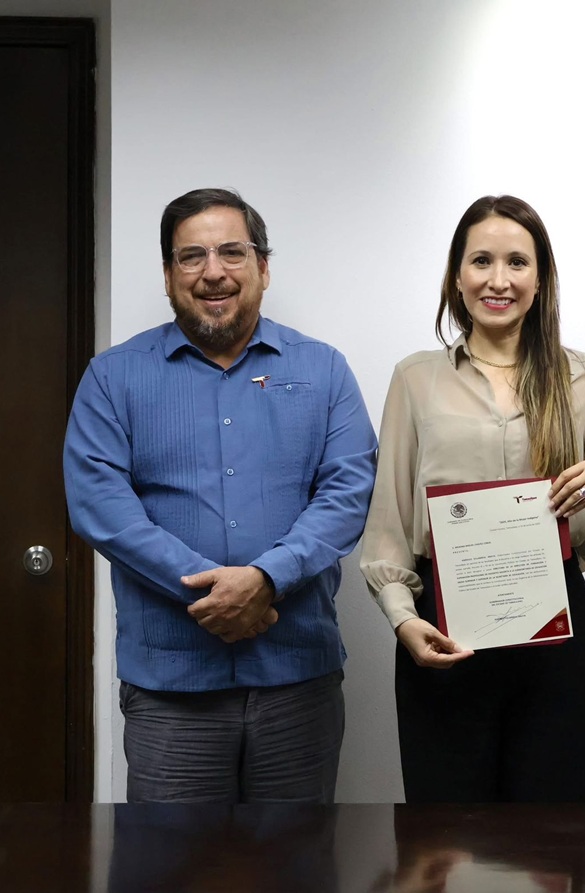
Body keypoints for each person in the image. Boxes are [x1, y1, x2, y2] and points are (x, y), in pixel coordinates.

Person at [64, 187, 377, 804]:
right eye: (192, 256)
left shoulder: (324, 370)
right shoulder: (113, 377)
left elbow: (348, 492)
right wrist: (217, 592)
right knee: (172, 855)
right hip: (170, 690)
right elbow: (101, 505)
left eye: (233, 252)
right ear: (167, 274)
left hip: (297, 680)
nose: (214, 272)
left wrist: (267, 579)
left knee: (296, 854)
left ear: (263, 267)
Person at [360, 195, 585, 803]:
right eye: (482, 261)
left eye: (517, 262)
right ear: (456, 276)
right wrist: (403, 618)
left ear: (540, 279)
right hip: (444, 628)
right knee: (446, 830)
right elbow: (389, 520)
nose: (499, 280)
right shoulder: (415, 379)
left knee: (554, 829)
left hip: (556, 633)